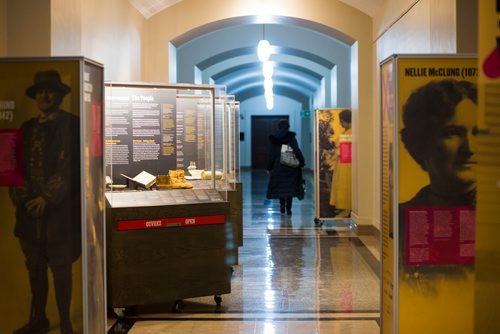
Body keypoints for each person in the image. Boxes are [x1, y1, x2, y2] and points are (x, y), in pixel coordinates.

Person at [9, 70, 81, 334]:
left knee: (61, 269)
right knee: (36, 270)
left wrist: (47, 198)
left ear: (60, 95)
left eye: (50, 90)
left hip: (59, 214)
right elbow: (14, 165)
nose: (45, 95)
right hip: (29, 214)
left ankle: (65, 324)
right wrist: (26, 197)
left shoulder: (70, 125)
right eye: (41, 91)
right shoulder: (27, 128)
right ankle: (39, 319)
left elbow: (70, 166)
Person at [398, 79, 477, 290]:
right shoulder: (403, 218)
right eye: (453, 133)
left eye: (478, 133)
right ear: (422, 143)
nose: (470, 148)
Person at [266, 119, 305, 215]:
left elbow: (271, 155)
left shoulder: (273, 138)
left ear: (278, 127)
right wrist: (302, 162)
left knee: (281, 187)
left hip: (278, 166)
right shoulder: (291, 137)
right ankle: (289, 208)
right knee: (289, 187)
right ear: (288, 127)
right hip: (291, 166)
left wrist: (269, 168)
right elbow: (297, 150)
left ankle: (282, 205)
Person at [329, 110, 352, 218]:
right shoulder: (345, 132)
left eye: (341, 121)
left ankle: (346, 208)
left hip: (347, 164)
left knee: (345, 185)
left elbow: (346, 149)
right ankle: (342, 207)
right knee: (340, 184)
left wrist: (335, 152)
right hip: (342, 162)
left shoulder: (351, 132)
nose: (340, 124)